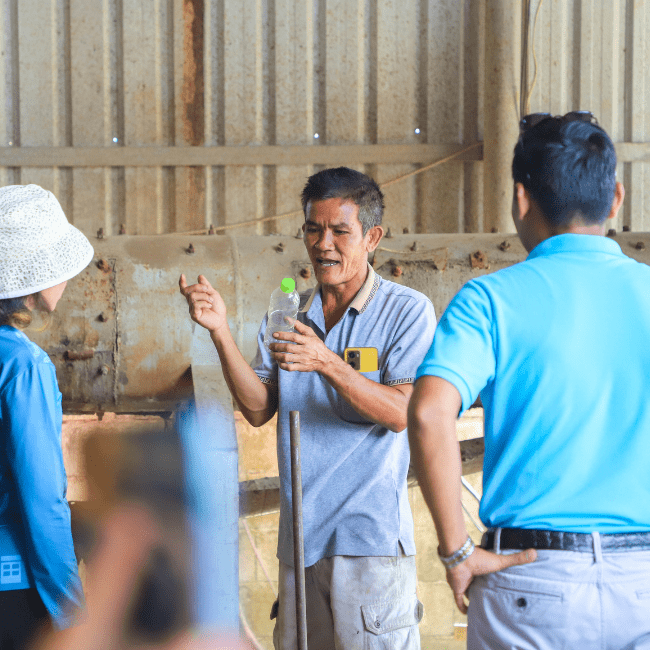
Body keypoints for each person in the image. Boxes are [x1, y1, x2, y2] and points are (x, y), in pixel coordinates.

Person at [408, 111, 650, 649]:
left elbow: (428, 413)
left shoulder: (489, 301)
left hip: (530, 579)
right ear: (616, 198)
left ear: (521, 199)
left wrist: (457, 552)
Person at [179, 167, 436, 650]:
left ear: (372, 237)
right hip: (299, 541)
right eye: (313, 229)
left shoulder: (407, 311)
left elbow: (401, 412)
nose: (324, 245)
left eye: (341, 231)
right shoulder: (289, 313)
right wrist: (220, 332)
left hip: (369, 545)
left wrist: (327, 363)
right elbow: (258, 409)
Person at [0, 184, 92, 648]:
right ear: (30, 284)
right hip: (11, 581)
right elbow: (40, 499)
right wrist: (71, 607)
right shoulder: (22, 365)